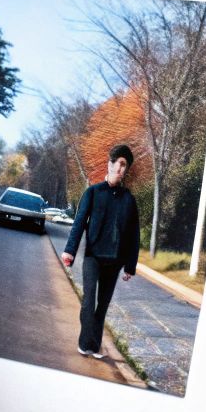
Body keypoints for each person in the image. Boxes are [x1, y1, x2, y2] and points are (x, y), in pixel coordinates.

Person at [60, 144, 140, 359]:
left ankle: (94, 346)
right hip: (93, 256)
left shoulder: (128, 200)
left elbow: (134, 235)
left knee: (102, 305)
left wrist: (130, 266)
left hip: (114, 261)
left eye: (126, 166)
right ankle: (85, 342)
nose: (122, 169)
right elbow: (79, 223)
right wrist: (70, 251)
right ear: (110, 164)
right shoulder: (93, 192)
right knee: (88, 301)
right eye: (120, 164)